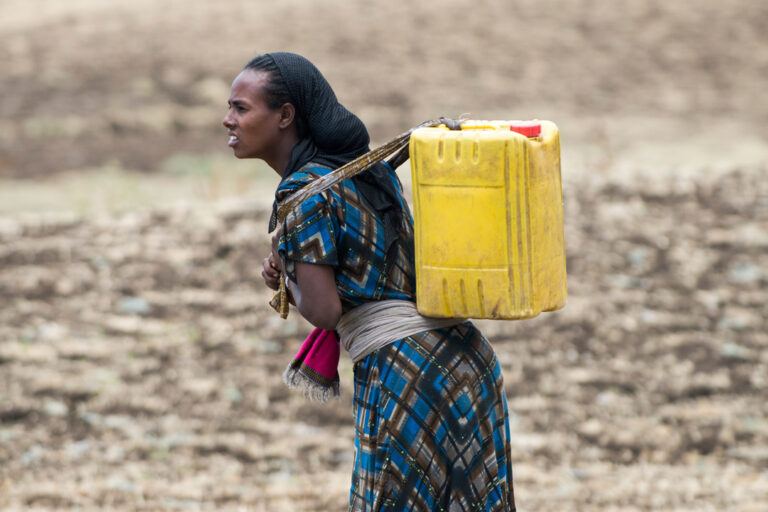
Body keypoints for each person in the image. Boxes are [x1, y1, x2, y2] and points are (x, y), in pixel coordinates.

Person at [223, 52, 516, 512]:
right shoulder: (368, 171)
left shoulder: (302, 196)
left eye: (241, 107)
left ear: (284, 116)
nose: (228, 119)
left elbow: (324, 312)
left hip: (407, 373)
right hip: (469, 361)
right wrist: (290, 267)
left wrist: (288, 273)